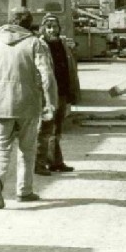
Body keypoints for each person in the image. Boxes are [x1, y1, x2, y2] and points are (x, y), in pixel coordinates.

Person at [0, 6, 57, 209]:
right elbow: (46, 75)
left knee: (0, 145)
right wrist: (50, 102)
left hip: (1, 102)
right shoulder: (35, 43)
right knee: (27, 148)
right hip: (28, 103)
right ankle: (24, 190)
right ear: (29, 23)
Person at [35, 13, 80, 175]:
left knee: (57, 129)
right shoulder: (39, 45)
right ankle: (39, 163)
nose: (52, 30)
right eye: (48, 27)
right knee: (45, 128)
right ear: (43, 28)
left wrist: (72, 92)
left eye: (54, 26)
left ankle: (55, 162)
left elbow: (70, 69)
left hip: (62, 91)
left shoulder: (63, 43)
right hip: (47, 93)